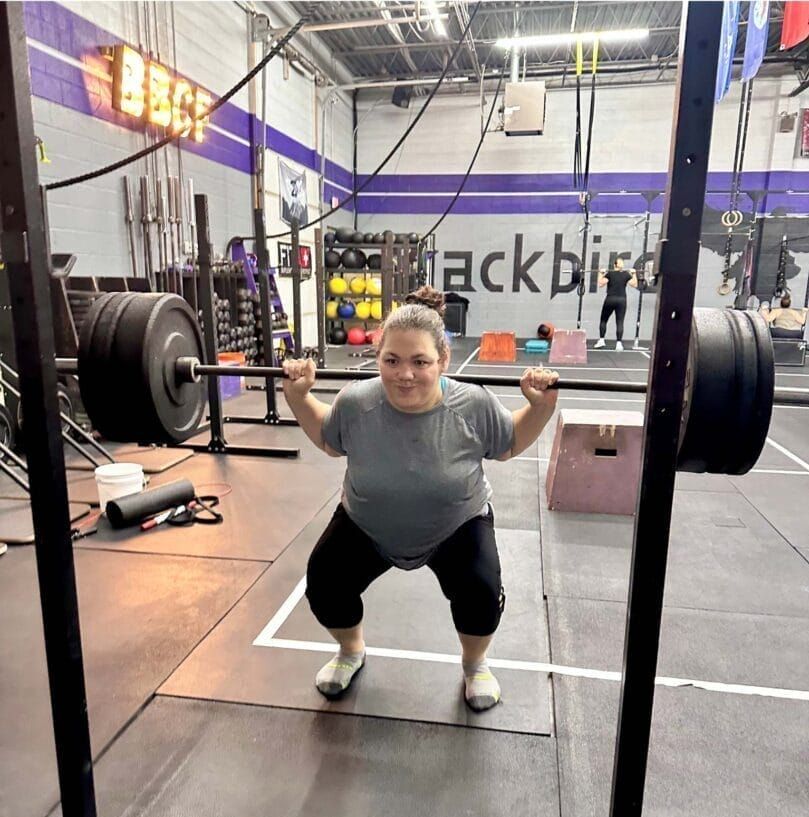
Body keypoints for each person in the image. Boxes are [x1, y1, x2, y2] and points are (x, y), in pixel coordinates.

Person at [281, 286, 559, 712]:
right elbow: (328, 438)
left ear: (442, 361)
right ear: (378, 356)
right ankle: (351, 651)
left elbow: (508, 443)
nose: (404, 374)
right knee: (323, 582)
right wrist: (299, 398)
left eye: (420, 362)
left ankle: (475, 665)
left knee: (481, 592)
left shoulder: (472, 404)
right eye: (391, 360)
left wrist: (540, 408)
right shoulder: (357, 404)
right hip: (367, 525)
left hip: (456, 526)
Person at [594, 258, 638, 351]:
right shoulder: (626, 274)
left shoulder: (610, 274)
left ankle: (601, 340)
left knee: (603, 320)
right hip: (621, 300)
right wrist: (634, 274)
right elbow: (634, 284)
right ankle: (619, 344)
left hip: (610, 299)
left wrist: (600, 273)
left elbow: (600, 283)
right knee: (620, 322)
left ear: (614, 265)